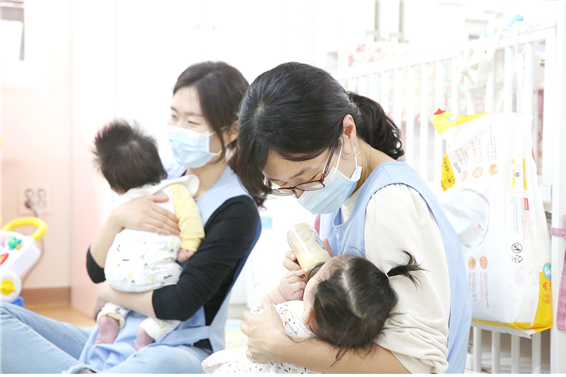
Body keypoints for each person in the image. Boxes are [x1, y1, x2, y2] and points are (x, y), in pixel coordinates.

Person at [0, 61, 261, 374]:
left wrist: (112, 293)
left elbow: (178, 303)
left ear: (232, 130)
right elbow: (96, 269)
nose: (178, 130)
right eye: (174, 115)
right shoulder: (162, 175)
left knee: (161, 363)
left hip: (176, 347)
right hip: (113, 333)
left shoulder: (237, 210)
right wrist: (117, 218)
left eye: (192, 122)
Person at [234, 62, 472, 374]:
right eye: (284, 186)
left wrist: (284, 347)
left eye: (306, 177)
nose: (301, 194)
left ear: (347, 132)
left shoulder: (390, 202)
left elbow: (416, 365)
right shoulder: (343, 193)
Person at [202, 252, 424, 374]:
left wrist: (280, 293)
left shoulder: (292, 313)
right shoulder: (348, 351)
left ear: (308, 314)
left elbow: (257, 316)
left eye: (315, 278)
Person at [91, 120, 205, 349]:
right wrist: (190, 245)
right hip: (156, 275)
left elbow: (103, 255)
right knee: (176, 288)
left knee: (125, 282)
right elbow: (191, 220)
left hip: (116, 277)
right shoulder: (175, 190)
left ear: (116, 186)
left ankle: (110, 315)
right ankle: (149, 330)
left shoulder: (120, 204)